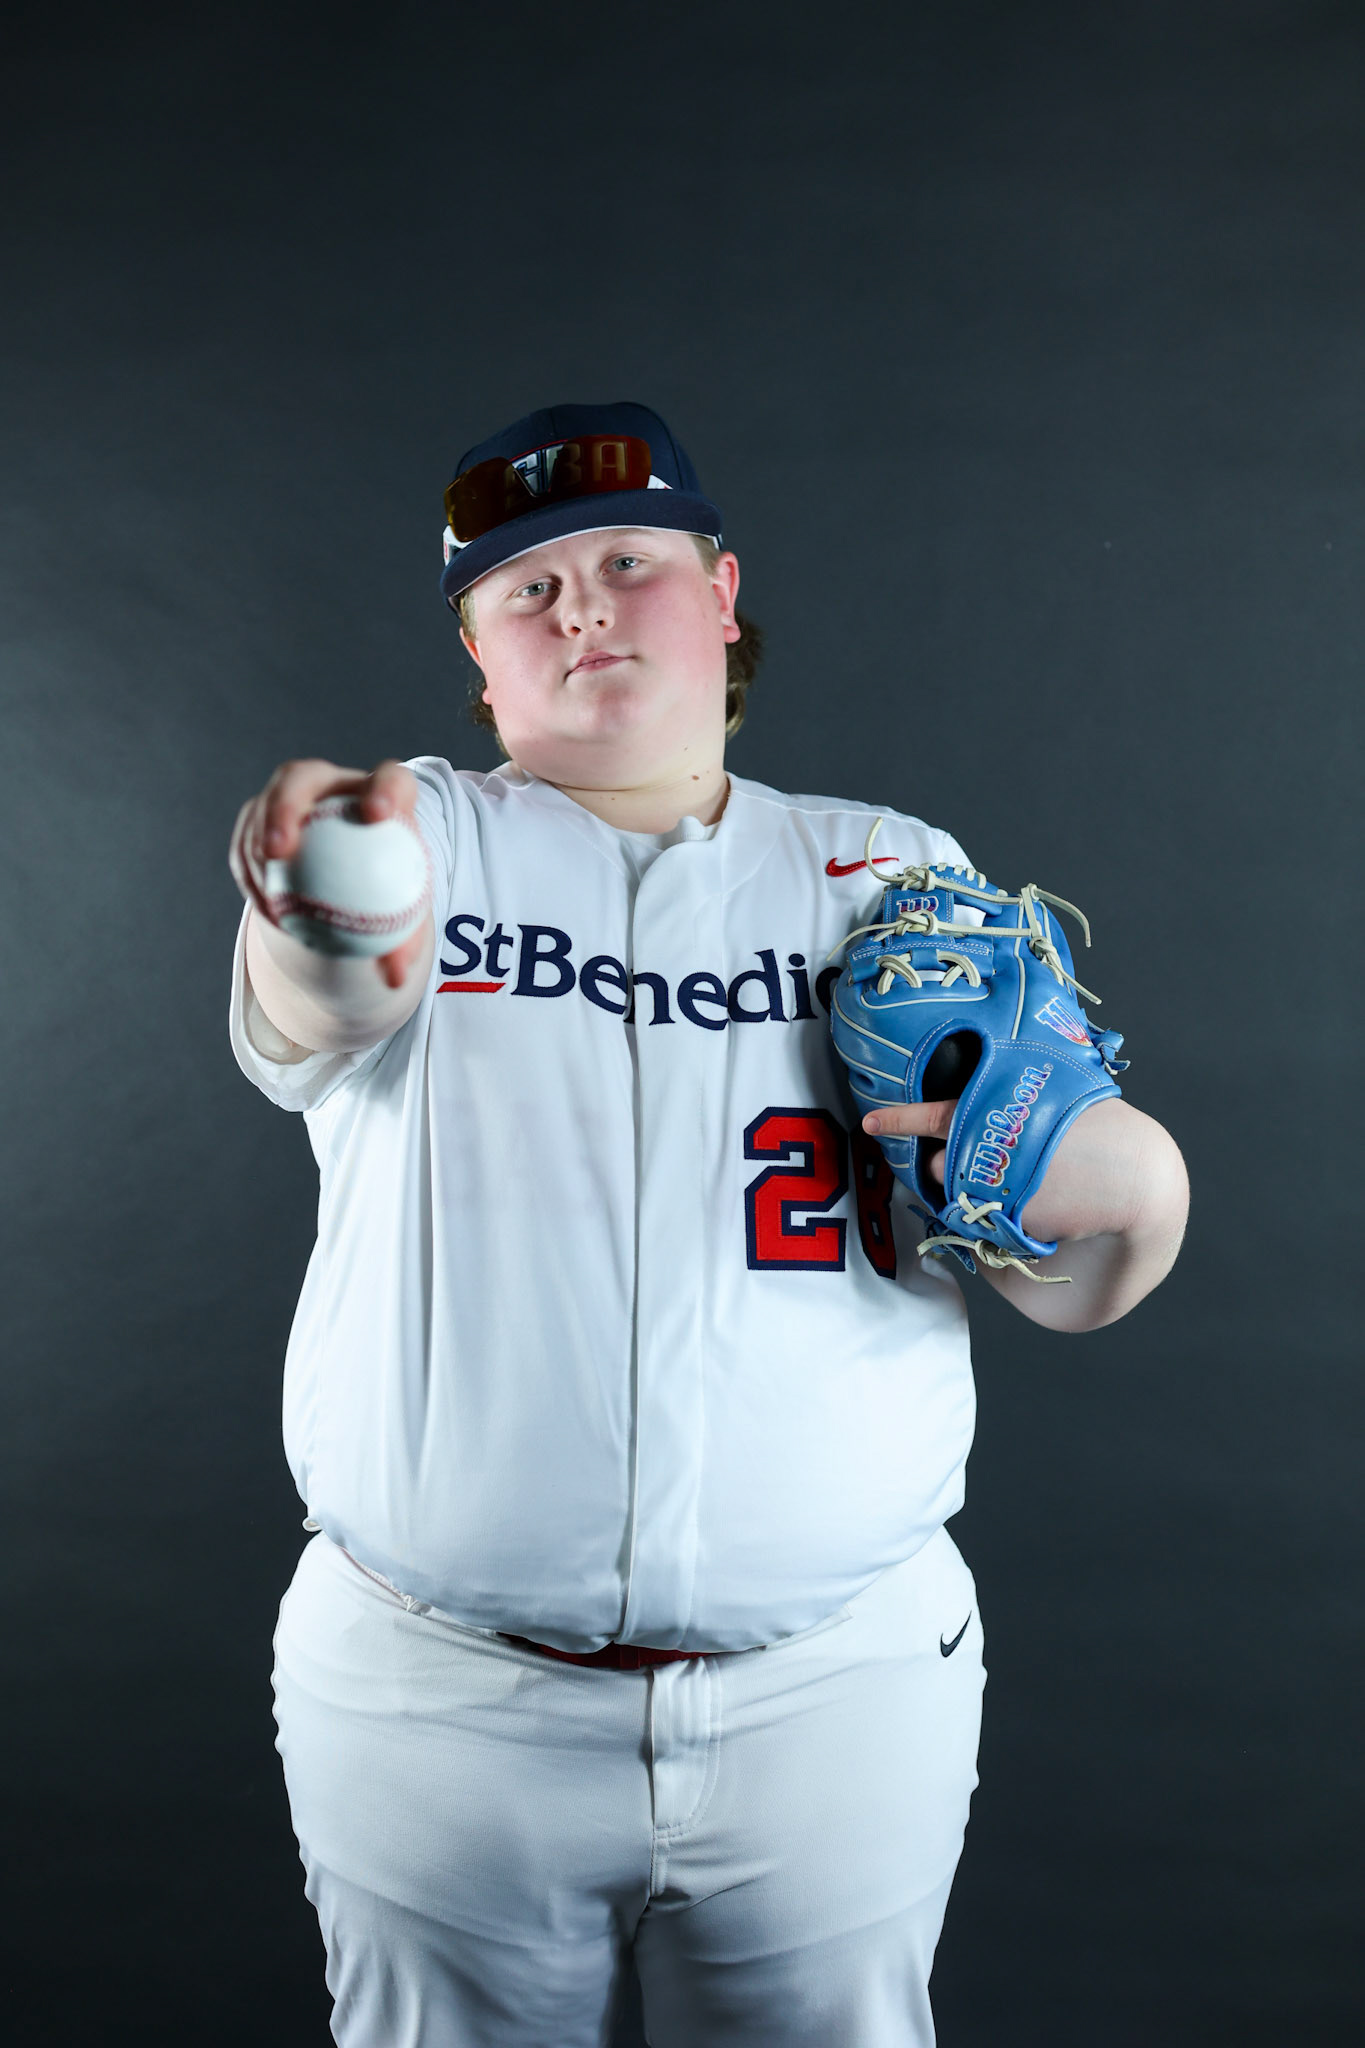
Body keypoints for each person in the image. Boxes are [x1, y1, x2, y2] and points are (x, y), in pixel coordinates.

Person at [227, 401, 1188, 2048]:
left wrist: (1131, 1204)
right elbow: (311, 997)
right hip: (440, 1702)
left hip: (835, 1692)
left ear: (724, 595)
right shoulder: (427, 837)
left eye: (626, 563)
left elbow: (1064, 1279)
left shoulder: (887, 874)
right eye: (524, 594)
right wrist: (318, 912)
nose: (581, 605)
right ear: (480, 666)